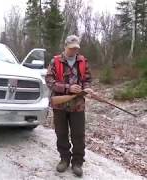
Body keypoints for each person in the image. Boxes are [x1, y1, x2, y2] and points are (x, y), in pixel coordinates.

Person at [45, 35, 94, 177]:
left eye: (76, 48)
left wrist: (87, 88)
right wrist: (68, 87)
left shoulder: (83, 61)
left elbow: (88, 79)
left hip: (78, 105)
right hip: (60, 105)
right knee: (61, 133)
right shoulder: (55, 61)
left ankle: (77, 162)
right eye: (71, 48)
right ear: (65, 46)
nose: (74, 51)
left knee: (78, 135)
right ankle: (64, 159)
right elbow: (49, 81)